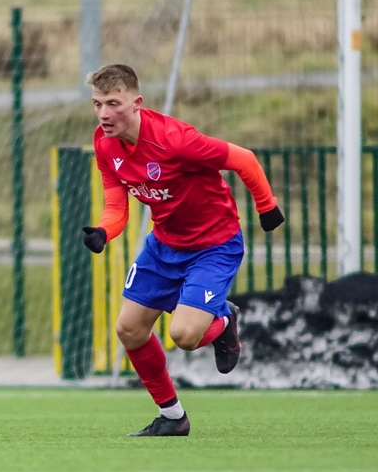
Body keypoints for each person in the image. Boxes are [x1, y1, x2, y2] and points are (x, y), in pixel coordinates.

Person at [82, 65, 282, 437]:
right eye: (97, 104)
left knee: (186, 336)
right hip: (164, 246)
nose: (104, 114)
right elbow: (116, 207)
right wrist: (103, 232)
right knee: (129, 329)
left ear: (137, 103)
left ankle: (223, 320)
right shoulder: (104, 143)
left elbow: (244, 159)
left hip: (213, 246)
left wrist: (266, 207)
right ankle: (173, 417)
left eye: (113, 103)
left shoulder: (175, 140)